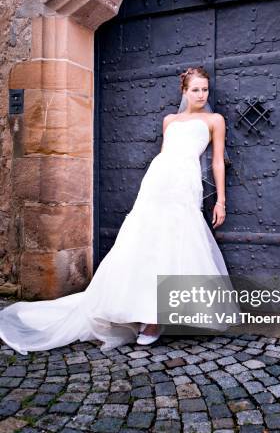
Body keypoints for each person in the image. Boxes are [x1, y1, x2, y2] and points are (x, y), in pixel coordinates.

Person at [0, 66, 234, 354]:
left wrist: (221, 200)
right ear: (184, 91)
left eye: (205, 89)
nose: (201, 94)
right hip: (158, 179)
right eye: (195, 89)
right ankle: (144, 313)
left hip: (186, 183)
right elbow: (164, 155)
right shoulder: (169, 120)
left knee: (178, 240)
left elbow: (217, 162)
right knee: (144, 240)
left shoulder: (214, 120)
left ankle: (157, 316)